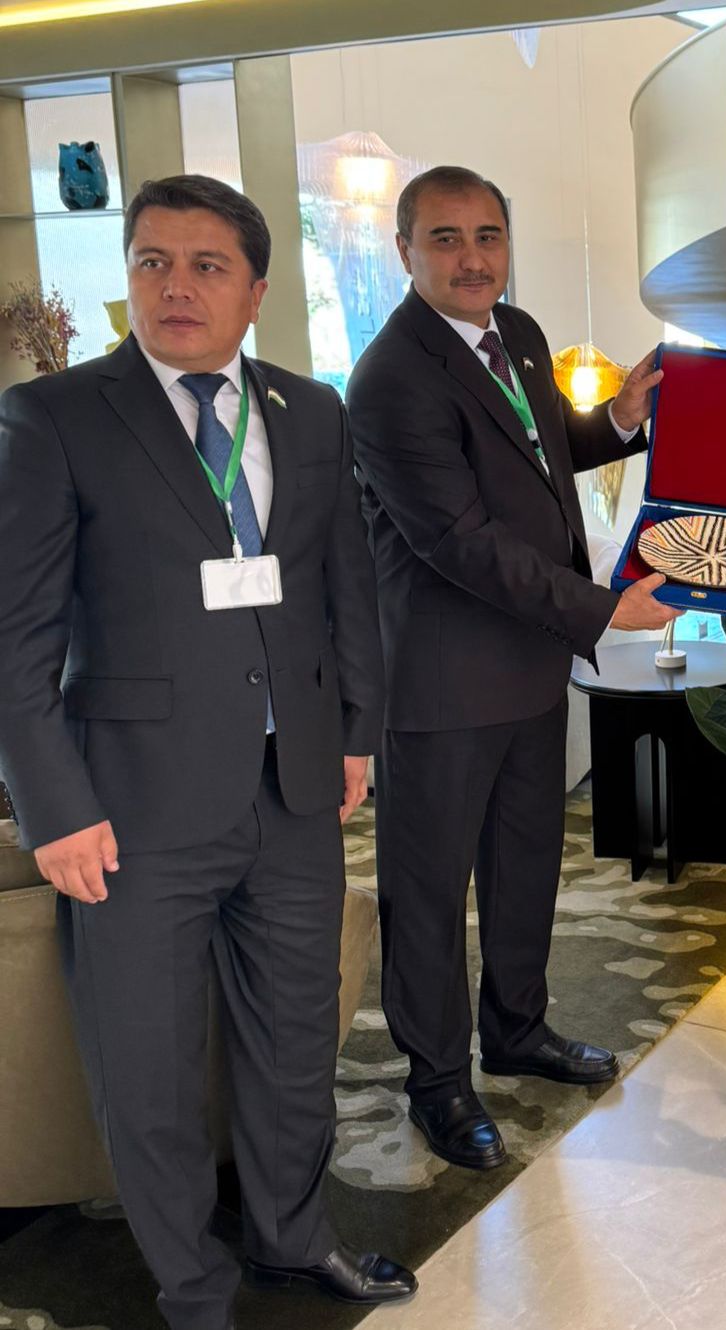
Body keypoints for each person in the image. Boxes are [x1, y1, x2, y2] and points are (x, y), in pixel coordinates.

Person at [0, 175, 413, 1330]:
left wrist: (352, 738)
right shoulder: (57, 417)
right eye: (152, 262)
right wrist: (54, 805)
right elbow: (15, 635)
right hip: (131, 810)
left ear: (257, 290)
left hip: (292, 792)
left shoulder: (310, 409)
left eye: (207, 265)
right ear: (127, 277)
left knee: (294, 1039)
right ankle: (192, 1284)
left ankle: (291, 1240)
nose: (176, 286)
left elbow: (346, 589)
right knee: (150, 1064)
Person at [347, 165, 679, 1173]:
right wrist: (601, 607)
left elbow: (535, 451)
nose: (472, 256)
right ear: (404, 251)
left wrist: (616, 419)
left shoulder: (520, 333)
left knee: (530, 860)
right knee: (431, 890)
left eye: (487, 234)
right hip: (443, 682)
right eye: (444, 238)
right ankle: (438, 1080)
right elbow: (459, 539)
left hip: (529, 665)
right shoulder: (391, 377)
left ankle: (519, 1028)